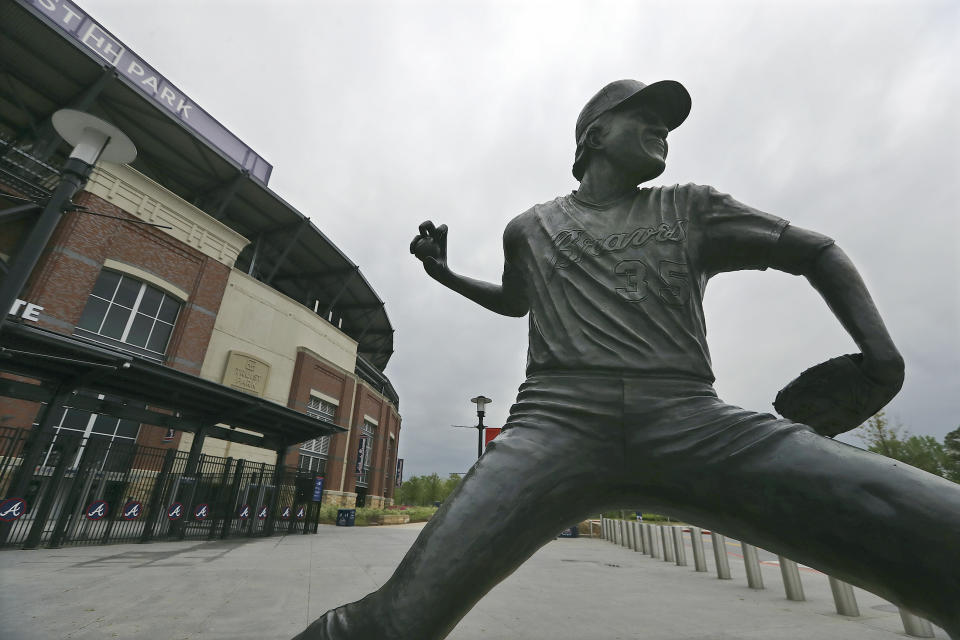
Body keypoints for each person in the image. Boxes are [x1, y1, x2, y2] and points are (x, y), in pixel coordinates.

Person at [294, 79, 960, 639]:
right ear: (593, 137)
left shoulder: (692, 207)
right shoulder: (530, 227)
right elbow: (514, 301)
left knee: (938, 530)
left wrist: (883, 363)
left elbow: (817, 252)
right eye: (645, 117)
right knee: (392, 624)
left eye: (666, 124)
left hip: (691, 422)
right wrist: (443, 275)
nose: (662, 130)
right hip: (555, 427)